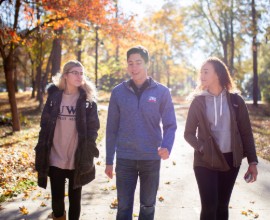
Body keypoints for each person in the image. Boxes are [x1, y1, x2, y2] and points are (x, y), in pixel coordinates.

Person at [105, 45, 177, 220]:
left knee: (148, 206)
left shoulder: (162, 92)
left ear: (147, 64)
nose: (134, 67)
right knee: (123, 207)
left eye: (138, 62)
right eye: (130, 63)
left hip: (150, 159)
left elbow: (170, 124)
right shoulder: (118, 92)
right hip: (125, 159)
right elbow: (111, 128)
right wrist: (109, 160)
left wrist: (166, 146)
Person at [184, 57, 258, 220]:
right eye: (200, 72)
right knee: (209, 206)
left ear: (217, 74)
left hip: (231, 160)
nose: (201, 76)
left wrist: (252, 162)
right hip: (205, 161)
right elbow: (188, 133)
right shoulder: (198, 101)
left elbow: (246, 133)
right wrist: (202, 148)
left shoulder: (236, 101)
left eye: (206, 71)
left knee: (222, 206)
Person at [35, 60, 100, 220]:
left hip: (76, 159)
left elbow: (93, 128)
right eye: (75, 73)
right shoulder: (54, 98)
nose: (79, 76)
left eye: (81, 73)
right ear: (65, 75)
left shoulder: (87, 101)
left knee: (75, 200)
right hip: (55, 157)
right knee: (57, 202)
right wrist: (41, 149)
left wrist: (89, 148)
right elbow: (44, 125)